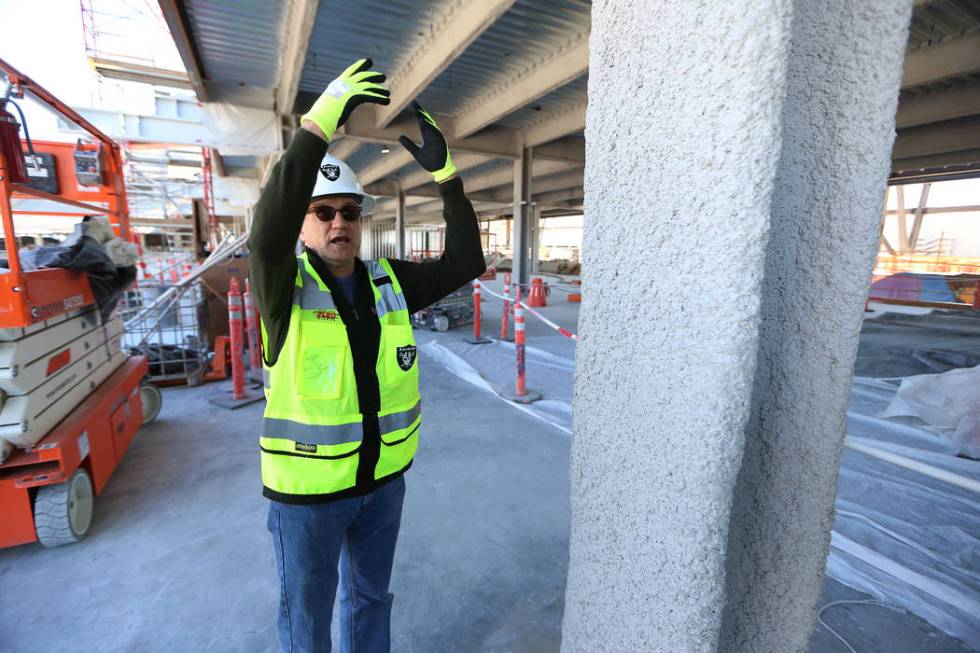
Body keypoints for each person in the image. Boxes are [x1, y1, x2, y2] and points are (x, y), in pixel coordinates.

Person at [247, 58, 486, 652]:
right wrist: (323, 117)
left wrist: (448, 178)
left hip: (382, 486)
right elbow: (265, 232)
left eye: (349, 212)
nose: (337, 223)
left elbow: (466, 264)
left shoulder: (388, 283)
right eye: (322, 212)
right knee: (307, 614)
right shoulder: (282, 288)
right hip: (307, 499)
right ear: (304, 225)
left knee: (372, 600)